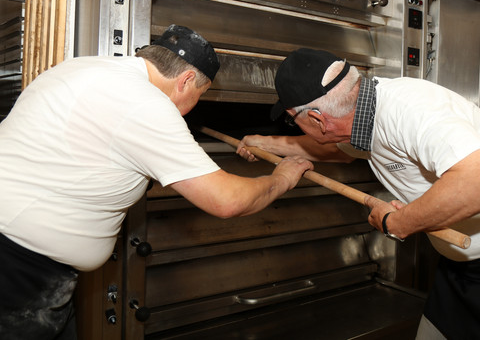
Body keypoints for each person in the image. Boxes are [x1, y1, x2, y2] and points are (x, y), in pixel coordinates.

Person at [236, 48, 480, 339]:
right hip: (465, 267)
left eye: (291, 119)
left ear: (317, 118)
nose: (292, 125)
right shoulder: (358, 115)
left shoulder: (409, 108)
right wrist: (264, 142)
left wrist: (400, 222)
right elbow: (334, 149)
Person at [0, 25, 312, 340]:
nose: (192, 108)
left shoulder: (90, 68)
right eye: (198, 97)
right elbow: (227, 200)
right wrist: (282, 178)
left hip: (28, 264)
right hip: (18, 271)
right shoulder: (143, 103)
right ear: (187, 80)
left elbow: (93, 155)